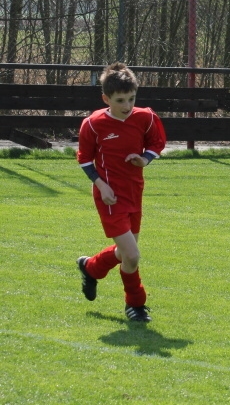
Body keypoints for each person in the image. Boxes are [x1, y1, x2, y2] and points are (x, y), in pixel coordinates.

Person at [75, 62, 166, 322]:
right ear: (106, 98)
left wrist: (145, 159)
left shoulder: (145, 117)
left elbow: (157, 142)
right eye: (120, 100)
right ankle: (135, 305)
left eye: (131, 99)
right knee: (133, 255)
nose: (127, 106)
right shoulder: (93, 124)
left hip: (134, 191)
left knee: (126, 252)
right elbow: (84, 159)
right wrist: (101, 185)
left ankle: (91, 267)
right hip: (110, 196)